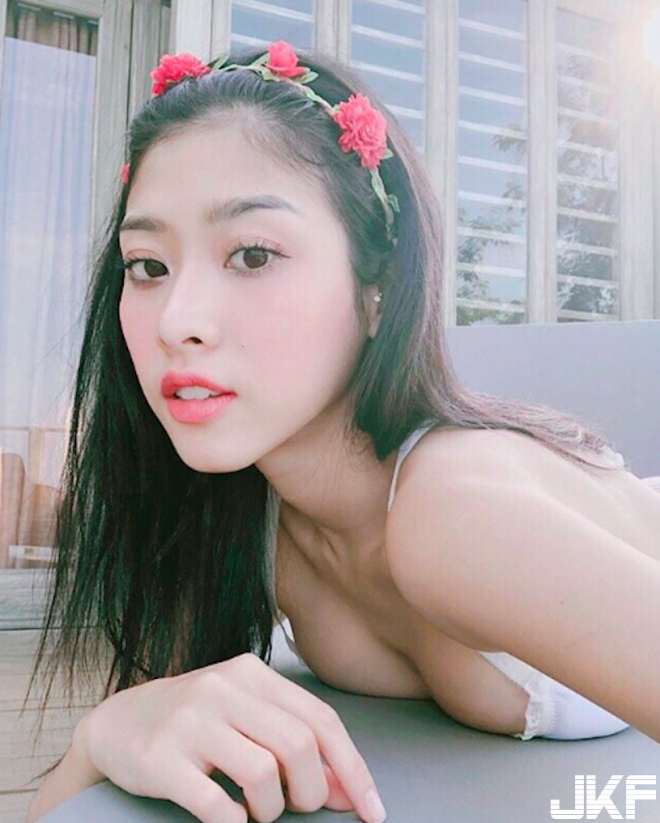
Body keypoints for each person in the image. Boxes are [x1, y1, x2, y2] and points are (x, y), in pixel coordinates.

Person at [23, 40, 660, 823]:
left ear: (377, 288)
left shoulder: (456, 511)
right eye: (148, 265)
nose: (177, 320)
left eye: (252, 254)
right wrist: (101, 736)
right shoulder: (242, 520)